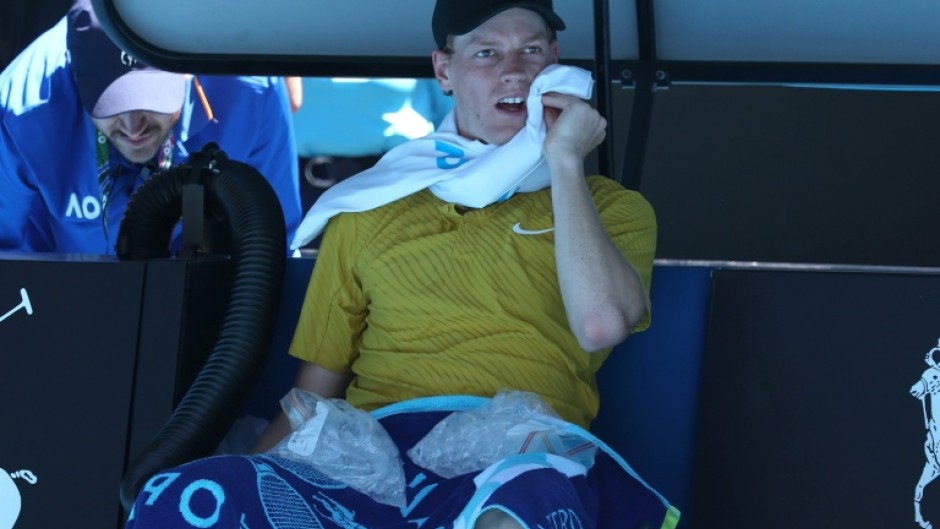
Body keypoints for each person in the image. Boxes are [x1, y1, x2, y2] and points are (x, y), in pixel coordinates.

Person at [123, 1, 677, 528]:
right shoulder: (370, 204)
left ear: (555, 65)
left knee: (523, 506)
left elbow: (601, 323)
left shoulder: (607, 206)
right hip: (372, 462)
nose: (515, 71)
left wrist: (563, 161)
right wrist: (250, 476)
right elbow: (312, 396)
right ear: (444, 69)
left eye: (531, 51)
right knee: (181, 500)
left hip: (520, 459)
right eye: (486, 53)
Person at [0, 0, 302, 254]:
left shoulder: (252, 91)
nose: (133, 127)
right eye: (111, 105)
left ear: (186, 69)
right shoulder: (20, 112)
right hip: (62, 294)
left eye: (149, 101)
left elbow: (278, 246)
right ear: (76, 79)